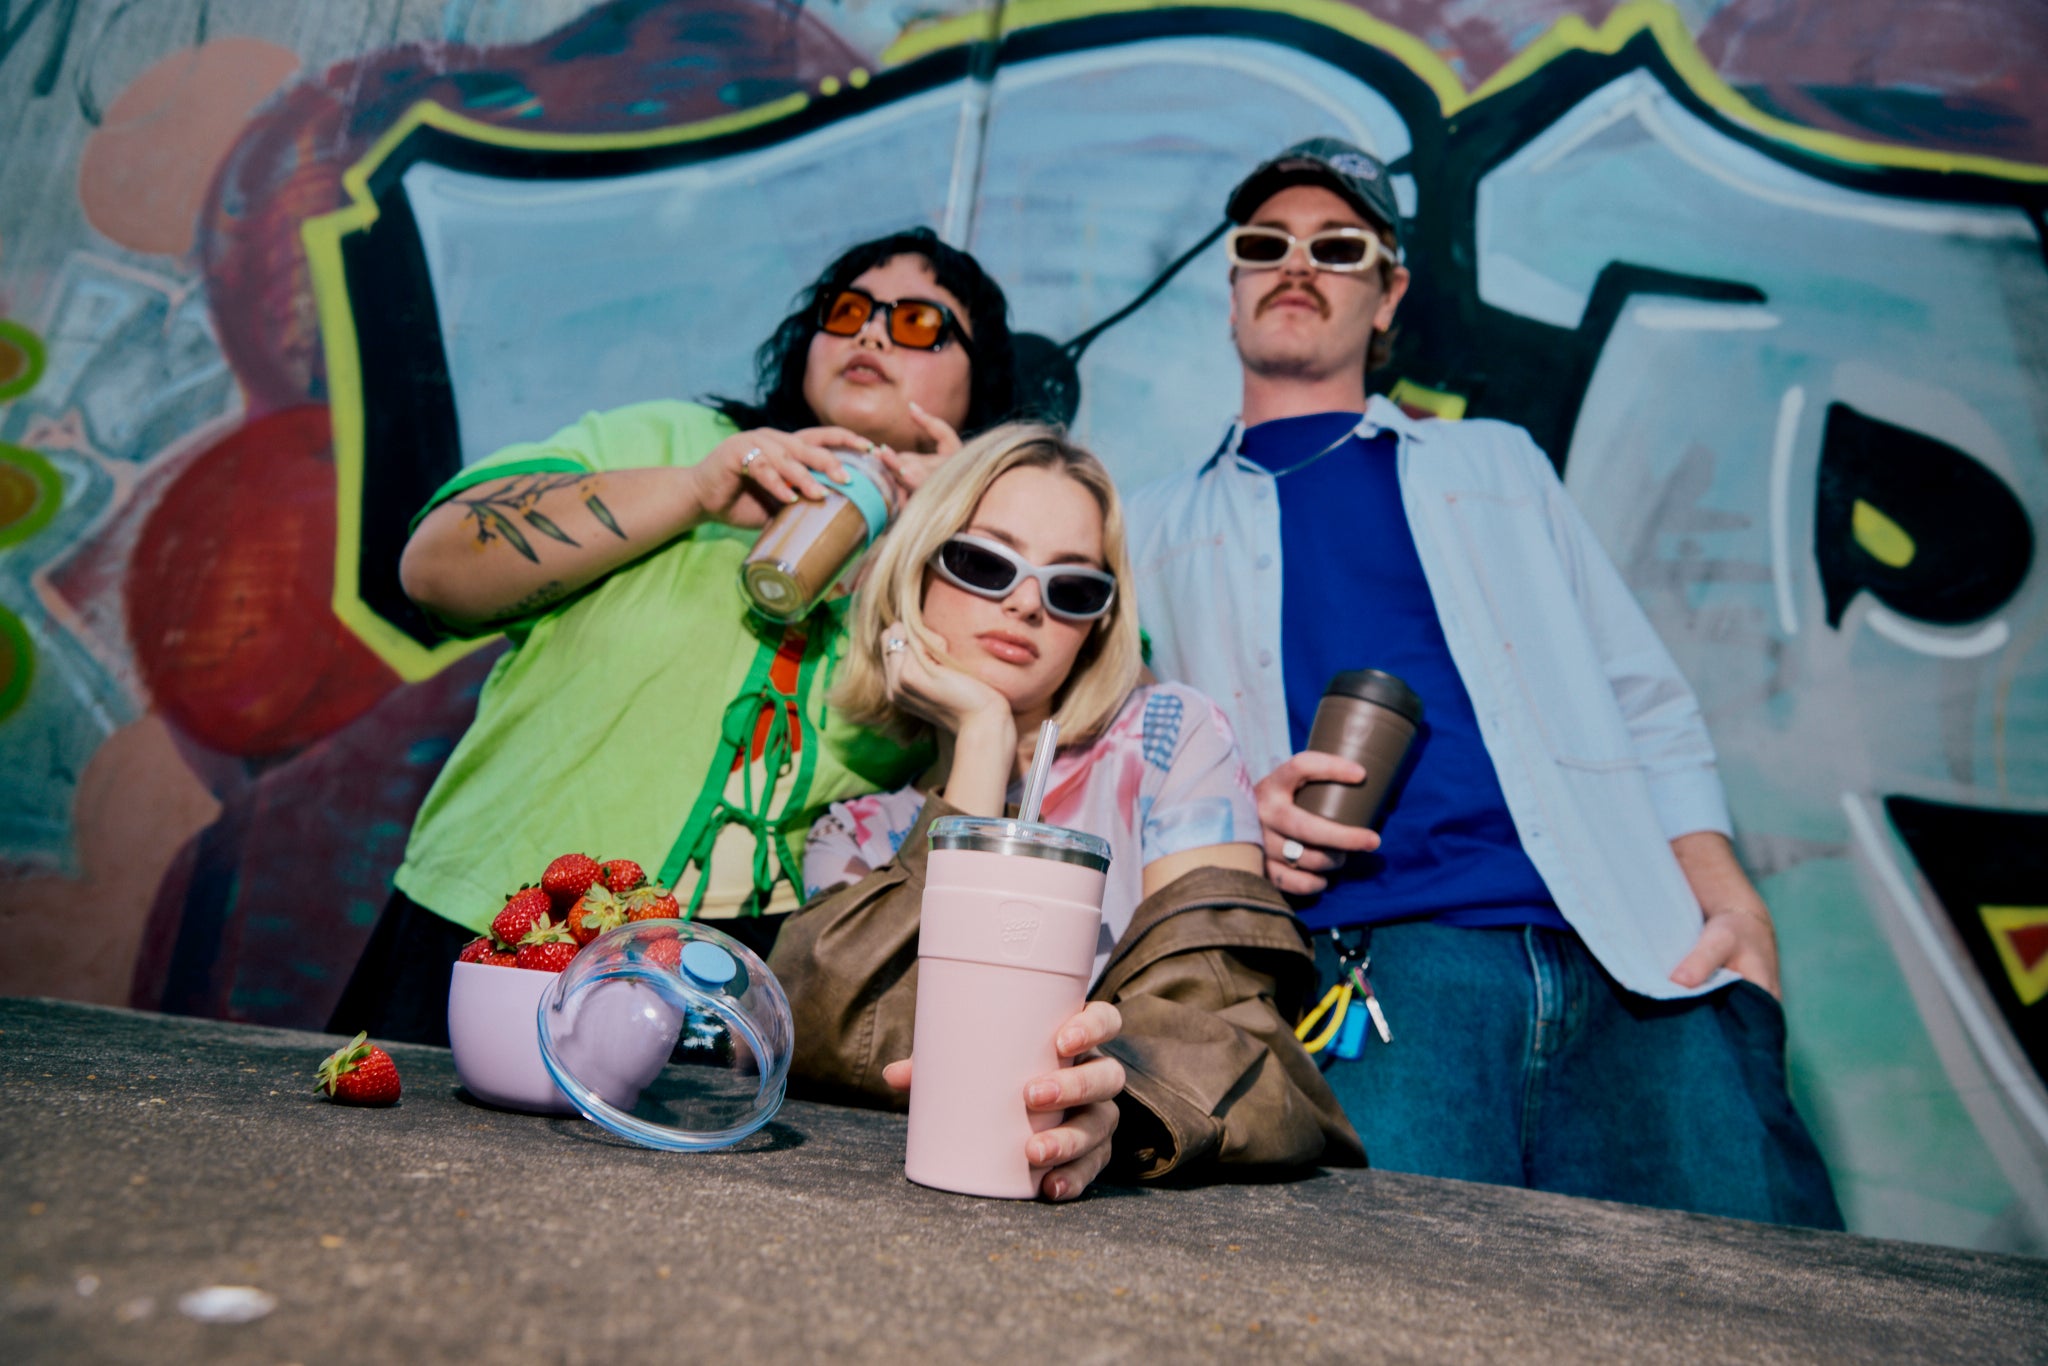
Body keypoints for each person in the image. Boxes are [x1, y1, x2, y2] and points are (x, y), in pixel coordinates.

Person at [1124, 139, 1842, 1226]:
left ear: (1387, 294)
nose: (1296, 264)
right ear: (1232, 287)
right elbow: (1125, 756)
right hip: (1377, 977)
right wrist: (1230, 820)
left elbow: (1638, 692)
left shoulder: (1495, 464)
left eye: (1337, 245)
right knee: (1394, 1314)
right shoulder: (1147, 525)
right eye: (1263, 244)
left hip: (1630, 961)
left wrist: (1727, 896)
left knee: (1760, 1303)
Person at [329, 228, 1018, 1045]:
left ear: (979, 387)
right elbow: (433, 571)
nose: (870, 332)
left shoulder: (986, 558)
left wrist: (960, 528)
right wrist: (694, 493)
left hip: (729, 985)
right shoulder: (678, 443)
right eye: (848, 311)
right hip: (494, 920)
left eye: (916, 323)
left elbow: (1083, 703)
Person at [769, 423, 1363, 1200]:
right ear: (915, 571)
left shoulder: (1168, 741)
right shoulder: (856, 834)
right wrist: (980, 744)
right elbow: (834, 1040)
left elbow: (1228, 1024)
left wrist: (1116, 1100)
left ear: (1097, 626)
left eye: (1073, 587)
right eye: (984, 562)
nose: (1024, 603)